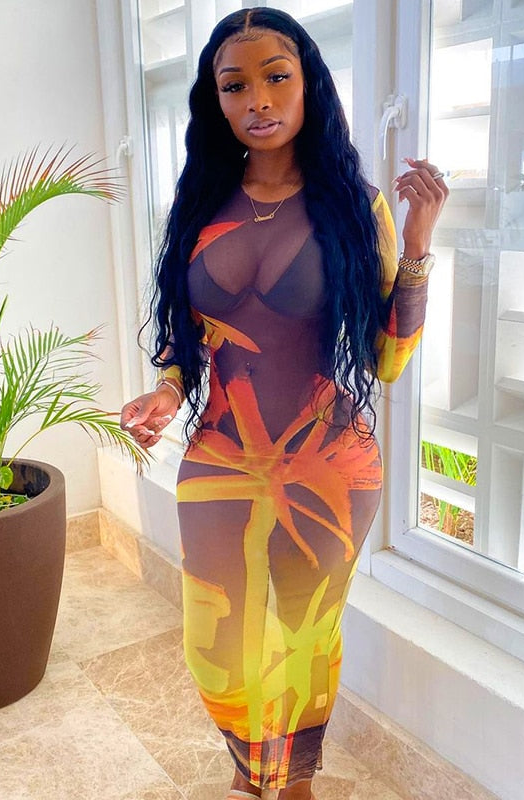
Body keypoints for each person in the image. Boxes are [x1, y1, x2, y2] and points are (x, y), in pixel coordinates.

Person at [121, 7, 447, 799]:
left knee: (302, 638)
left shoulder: (354, 208)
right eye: (236, 85)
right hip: (219, 456)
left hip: (328, 464)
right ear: (217, 101)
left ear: (309, 85)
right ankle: (253, 766)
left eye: (277, 77)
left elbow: (387, 360)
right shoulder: (201, 205)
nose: (258, 99)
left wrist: (418, 241)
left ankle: (288, 782)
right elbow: (184, 339)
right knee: (217, 649)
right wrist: (165, 390)